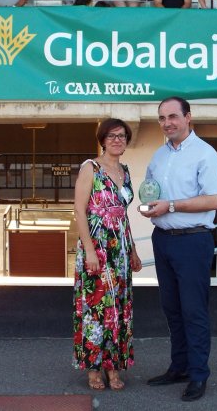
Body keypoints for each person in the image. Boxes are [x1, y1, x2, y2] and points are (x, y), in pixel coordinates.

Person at [141, 97, 217, 402]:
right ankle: (180, 367)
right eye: (162, 118)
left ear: (188, 117)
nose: (167, 123)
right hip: (162, 239)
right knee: (172, 309)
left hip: (192, 241)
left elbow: (214, 200)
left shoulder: (205, 154)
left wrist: (171, 205)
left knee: (193, 311)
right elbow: (151, 190)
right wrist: (151, 207)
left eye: (173, 116)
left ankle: (199, 375)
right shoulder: (159, 156)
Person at [72, 119, 142, 390]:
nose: (117, 140)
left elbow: (123, 215)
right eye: (112, 136)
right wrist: (89, 250)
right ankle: (93, 370)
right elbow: (79, 210)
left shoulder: (125, 171)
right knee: (95, 308)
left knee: (118, 309)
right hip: (97, 249)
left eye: (122, 136)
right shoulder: (91, 168)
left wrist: (133, 249)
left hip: (121, 250)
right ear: (102, 139)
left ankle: (114, 368)